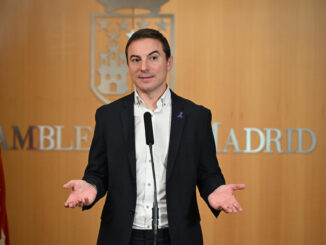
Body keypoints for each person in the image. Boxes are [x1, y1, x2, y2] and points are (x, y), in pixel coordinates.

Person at [64, 28, 245, 245]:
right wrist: (90, 186)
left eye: (153, 58)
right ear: (128, 66)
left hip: (177, 235)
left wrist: (215, 191)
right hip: (122, 235)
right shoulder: (108, 116)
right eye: (135, 59)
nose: (144, 67)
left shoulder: (195, 116)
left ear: (169, 62)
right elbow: (97, 172)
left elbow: (208, 173)